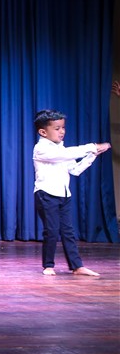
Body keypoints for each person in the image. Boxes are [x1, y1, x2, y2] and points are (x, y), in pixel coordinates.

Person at [32, 109, 111, 277]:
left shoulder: (61, 149)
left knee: (68, 231)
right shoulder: (41, 148)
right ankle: (48, 265)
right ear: (43, 132)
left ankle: (77, 266)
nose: (62, 131)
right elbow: (65, 155)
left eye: (63, 127)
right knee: (52, 230)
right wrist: (92, 146)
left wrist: (92, 155)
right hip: (46, 194)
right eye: (57, 128)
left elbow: (75, 170)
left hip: (64, 195)